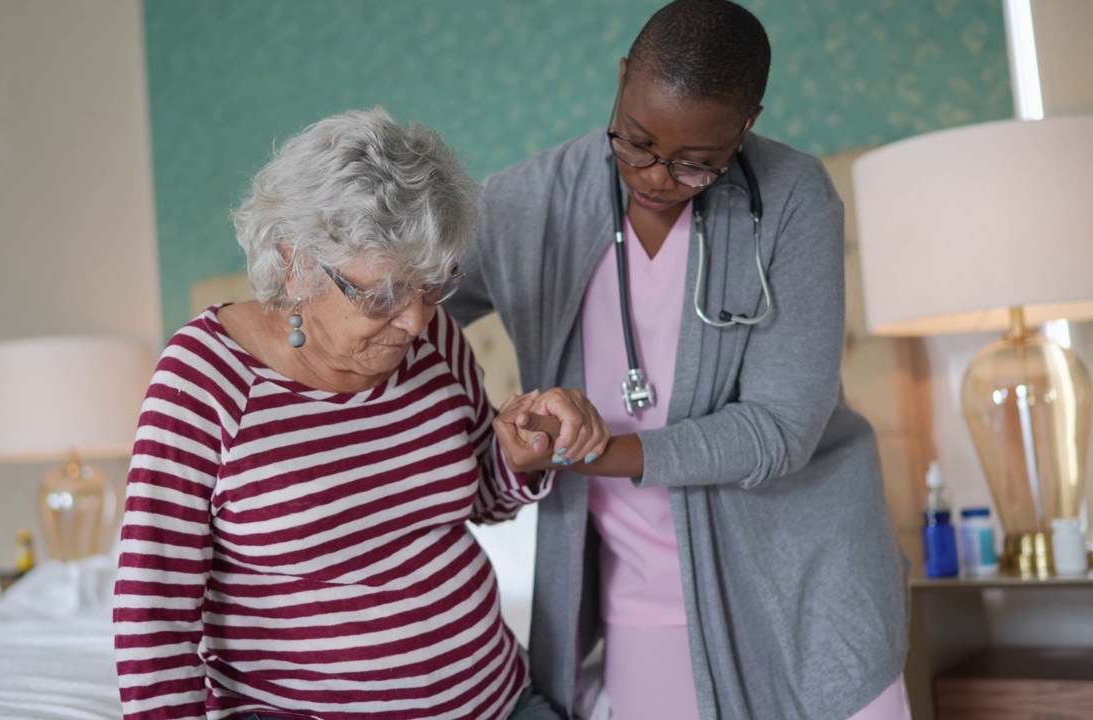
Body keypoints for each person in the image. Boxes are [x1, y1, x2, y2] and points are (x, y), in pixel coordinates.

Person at [445, 1, 910, 719]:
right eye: (635, 142)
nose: (657, 177)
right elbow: (403, 319)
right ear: (623, 77)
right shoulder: (524, 204)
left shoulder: (792, 199)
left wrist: (597, 452)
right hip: (638, 592)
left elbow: (781, 429)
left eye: (697, 163)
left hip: (799, 578)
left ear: (747, 122)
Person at [111, 108, 607, 720]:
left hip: (498, 700)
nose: (416, 321)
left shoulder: (437, 341)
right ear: (294, 263)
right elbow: (153, 612)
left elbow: (480, 500)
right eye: (381, 294)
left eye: (432, 284)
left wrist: (516, 460)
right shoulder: (204, 379)